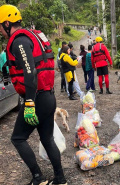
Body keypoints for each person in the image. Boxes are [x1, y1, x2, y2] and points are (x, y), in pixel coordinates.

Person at [0, 4, 67, 185]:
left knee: (18, 138)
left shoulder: (19, 41)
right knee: (46, 138)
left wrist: (29, 102)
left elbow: (30, 72)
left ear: (7, 23)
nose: (0, 30)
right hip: (47, 96)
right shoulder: (31, 36)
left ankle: (38, 177)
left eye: (0, 26)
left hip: (36, 98)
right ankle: (60, 179)